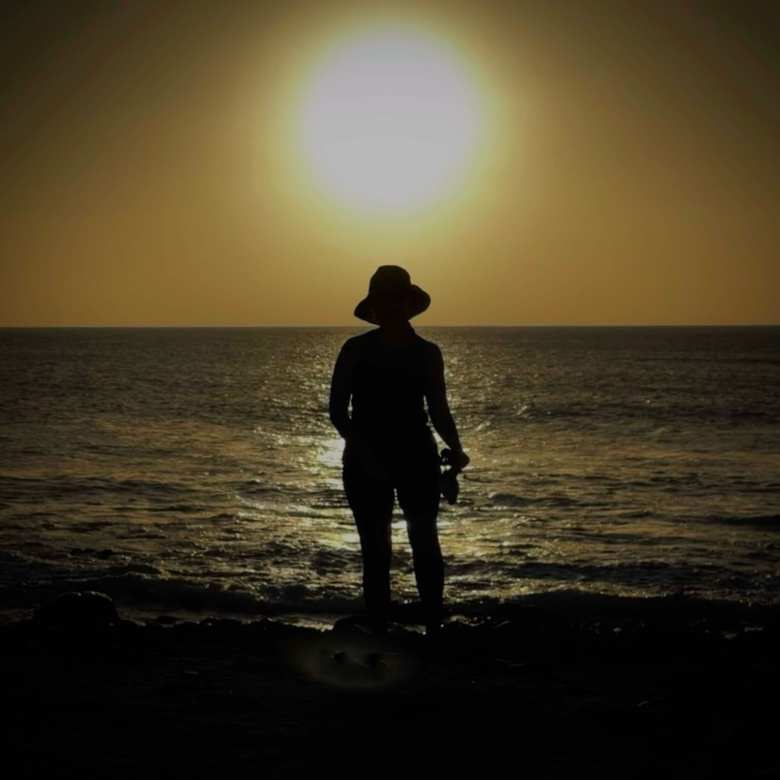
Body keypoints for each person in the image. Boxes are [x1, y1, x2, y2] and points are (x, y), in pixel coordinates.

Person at [329, 265, 469, 637]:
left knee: (424, 542)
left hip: (415, 457)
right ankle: (380, 626)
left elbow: (439, 409)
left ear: (407, 304)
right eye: (385, 301)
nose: (391, 308)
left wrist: (456, 448)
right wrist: (364, 453)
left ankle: (433, 623)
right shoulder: (356, 350)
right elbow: (337, 412)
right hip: (368, 460)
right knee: (377, 549)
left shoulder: (426, 353)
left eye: (396, 300)